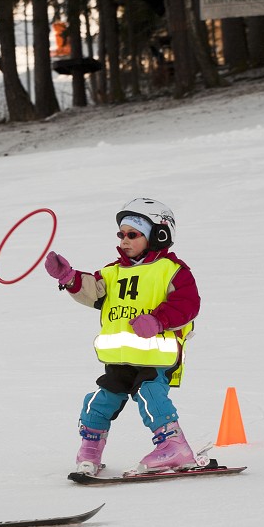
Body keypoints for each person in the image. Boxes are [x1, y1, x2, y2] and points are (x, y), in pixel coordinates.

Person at [44, 198, 200, 476]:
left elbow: (188, 304)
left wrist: (158, 320)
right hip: (120, 359)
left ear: (158, 234)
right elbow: (92, 290)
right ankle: (90, 451)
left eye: (133, 234)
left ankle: (174, 447)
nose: (124, 240)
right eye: (121, 234)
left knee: (150, 395)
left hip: (156, 356)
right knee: (99, 402)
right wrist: (68, 277)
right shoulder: (112, 272)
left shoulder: (172, 270)